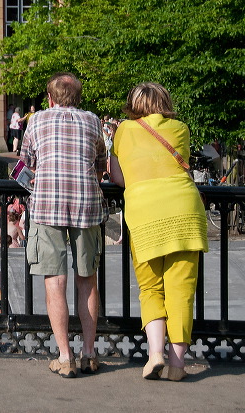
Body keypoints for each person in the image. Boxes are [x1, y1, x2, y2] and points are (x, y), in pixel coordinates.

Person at [109, 82, 208, 381]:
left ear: (133, 105)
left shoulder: (124, 130)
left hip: (145, 214)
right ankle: (177, 365)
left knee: (150, 288)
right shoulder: (181, 129)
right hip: (185, 211)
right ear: (165, 102)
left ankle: (155, 355)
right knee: (181, 290)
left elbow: (117, 177)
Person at [20, 72, 107, 378]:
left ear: (50, 98)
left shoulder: (37, 121)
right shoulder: (93, 121)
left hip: (47, 206)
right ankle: (89, 354)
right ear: (79, 98)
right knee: (87, 280)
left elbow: (25, 164)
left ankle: (65, 357)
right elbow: (101, 165)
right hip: (87, 206)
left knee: (55, 282)